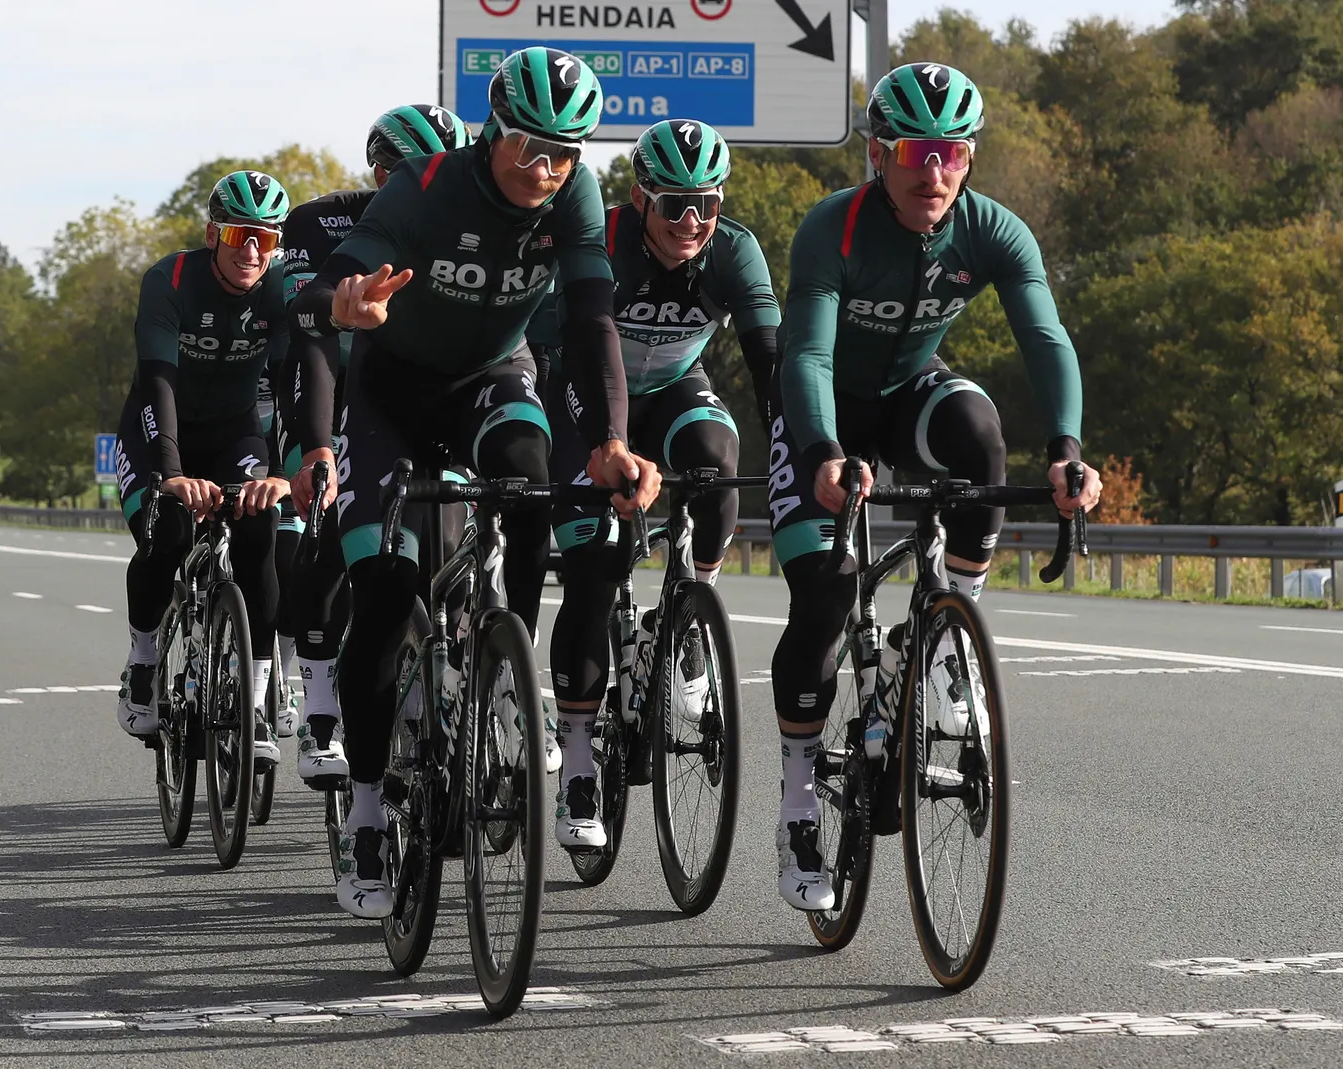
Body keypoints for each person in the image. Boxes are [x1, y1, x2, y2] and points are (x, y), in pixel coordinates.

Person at [289, 48, 660, 919]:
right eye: (531, 147)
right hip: (388, 396)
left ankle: (504, 663)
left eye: (565, 152)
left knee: (531, 489)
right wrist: (347, 301)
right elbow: (327, 283)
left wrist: (609, 440)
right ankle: (372, 810)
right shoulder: (422, 188)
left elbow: (593, 315)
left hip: (494, 378)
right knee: (384, 592)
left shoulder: (572, 193)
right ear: (493, 130)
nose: (546, 169)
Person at [765, 63, 1102, 911]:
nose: (933, 171)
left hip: (911, 393)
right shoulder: (832, 231)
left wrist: (1066, 450)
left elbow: (1045, 338)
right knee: (825, 598)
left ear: (971, 158)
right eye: (914, 150)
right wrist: (823, 455)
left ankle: (950, 633)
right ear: (878, 153)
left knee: (980, 432)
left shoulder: (993, 231)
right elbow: (803, 356)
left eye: (951, 152)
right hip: (823, 416)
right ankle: (800, 799)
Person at [532, 118, 779, 849]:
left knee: (715, 463)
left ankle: (690, 611)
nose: (693, 221)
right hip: (579, 391)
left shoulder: (733, 250)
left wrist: (799, 441)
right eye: (674, 205)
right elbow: (590, 342)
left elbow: (769, 359)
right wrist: (606, 442)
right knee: (594, 567)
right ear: (640, 199)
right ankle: (578, 758)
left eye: (706, 202)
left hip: (672, 386)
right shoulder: (601, 242)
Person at [276, 103, 475, 788]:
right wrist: (315, 446)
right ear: (382, 173)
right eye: (416, 175)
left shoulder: (471, 220)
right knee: (329, 529)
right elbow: (312, 341)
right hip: (330, 381)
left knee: (451, 548)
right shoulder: (319, 222)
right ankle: (322, 701)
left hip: (416, 391)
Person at [115, 171, 295, 775]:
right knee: (168, 532)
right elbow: (158, 380)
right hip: (158, 427)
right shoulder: (169, 282)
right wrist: (170, 472)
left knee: (259, 528)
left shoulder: (278, 295)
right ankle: (143, 660)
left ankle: (257, 697)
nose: (252, 251)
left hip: (236, 431)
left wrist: (283, 471)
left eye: (266, 240)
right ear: (214, 232)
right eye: (242, 234)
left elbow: (297, 389)